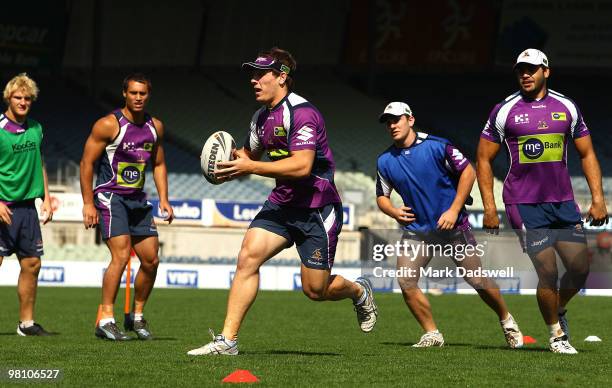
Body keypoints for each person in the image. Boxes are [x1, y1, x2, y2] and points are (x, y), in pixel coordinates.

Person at [187, 47, 377, 356]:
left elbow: (301, 166)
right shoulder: (260, 118)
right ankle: (227, 342)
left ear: (282, 77)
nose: (254, 80)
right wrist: (224, 164)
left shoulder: (303, 113)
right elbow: (249, 157)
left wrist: (249, 167)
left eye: (261, 74)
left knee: (315, 290)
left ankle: (358, 290)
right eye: (252, 74)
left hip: (317, 207)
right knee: (248, 257)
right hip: (283, 204)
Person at [477, 48, 608, 354]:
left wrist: (598, 199)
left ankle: (559, 308)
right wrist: (489, 207)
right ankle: (556, 336)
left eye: (532, 69)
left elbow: (587, 154)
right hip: (523, 204)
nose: (525, 74)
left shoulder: (567, 107)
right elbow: (483, 159)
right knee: (547, 271)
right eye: (521, 69)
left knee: (579, 269)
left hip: (563, 202)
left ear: (546, 72)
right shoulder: (504, 110)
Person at [376, 102, 523, 348]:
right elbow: (382, 196)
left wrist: (454, 210)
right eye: (388, 122)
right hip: (418, 231)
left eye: (396, 119)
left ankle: (507, 321)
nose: (392, 125)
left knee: (477, 280)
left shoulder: (438, 145)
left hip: (454, 228)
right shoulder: (385, 161)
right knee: (405, 280)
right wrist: (393, 211)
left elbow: (469, 171)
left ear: (410, 120)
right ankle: (432, 333)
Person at [80, 73, 174, 341]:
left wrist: (164, 198)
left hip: (138, 200)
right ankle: (106, 319)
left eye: (142, 93)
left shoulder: (156, 126)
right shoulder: (108, 125)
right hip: (111, 197)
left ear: (148, 95)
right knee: (120, 257)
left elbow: (158, 163)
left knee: (151, 260)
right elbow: (86, 164)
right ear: (124, 93)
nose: (138, 97)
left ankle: (137, 316)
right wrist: (88, 203)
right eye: (133, 93)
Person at [0, 73, 53, 336]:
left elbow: (38, 162)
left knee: (32, 264)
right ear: (8, 98)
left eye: (28, 98)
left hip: (27, 210)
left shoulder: (36, 128)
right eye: (18, 97)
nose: (23, 102)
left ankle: (26, 323)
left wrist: (46, 196)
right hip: (3, 207)